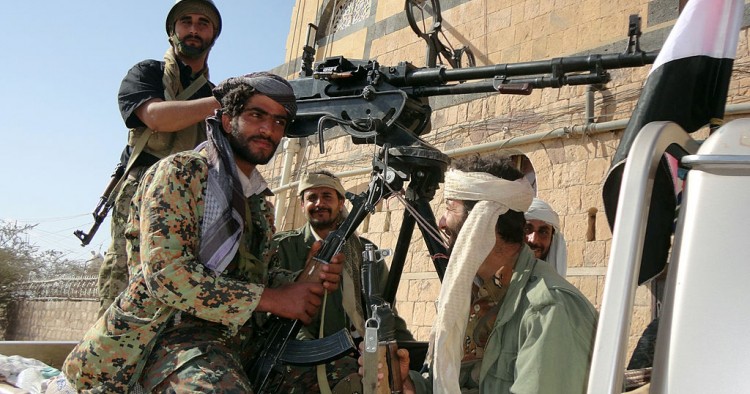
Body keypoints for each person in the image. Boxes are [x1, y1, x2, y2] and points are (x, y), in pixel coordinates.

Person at [62, 73, 344, 392]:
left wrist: (301, 282)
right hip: (164, 340)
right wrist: (274, 298)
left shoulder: (258, 204)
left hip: (234, 340)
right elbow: (167, 276)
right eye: (256, 115)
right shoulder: (180, 174)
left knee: (345, 375)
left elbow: (253, 281)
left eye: (279, 121)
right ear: (226, 120)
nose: (269, 129)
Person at [368, 154, 597, 393]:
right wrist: (412, 386)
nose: (442, 222)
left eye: (450, 208)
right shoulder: (477, 293)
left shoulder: (549, 310)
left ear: (483, 220)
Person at [97, 0, 224, 317]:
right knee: (124, 296)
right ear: (173, 31)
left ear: (213, 35)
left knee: (174, 296)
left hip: (189, 203)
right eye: (186, 21)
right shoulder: (147, 73)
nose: (194, 29)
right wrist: (224, 102)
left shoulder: (214, 94)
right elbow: (155, 117)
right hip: (140, 192)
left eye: (203, 23)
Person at [272, 170, 414, 391]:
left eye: (327, 196)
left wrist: (408, 352)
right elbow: (275, 312)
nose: (319, 203)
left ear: (340, 203)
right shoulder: (283, 248)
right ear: (302, 205)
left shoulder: (365, 252)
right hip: (299, 358)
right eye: (312, 198)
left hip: (360, 353)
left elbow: (385, 312)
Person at [524, 198, 568, 276]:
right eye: (527, 229)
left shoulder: (555, 286)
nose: (534, 240)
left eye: (543, 232)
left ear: (552, 238)